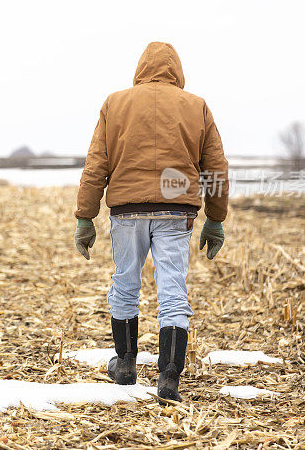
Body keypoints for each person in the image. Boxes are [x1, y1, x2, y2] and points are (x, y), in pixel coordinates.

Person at [74, 42, 229, 401]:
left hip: (127, 211)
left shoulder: (116, 103)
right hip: (177, 210)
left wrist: (85, 216)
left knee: (125, 284)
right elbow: (215, 167)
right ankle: (169, 375)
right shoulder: (197, 106)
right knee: (173, 290)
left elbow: (96, 164)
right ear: (177, 69)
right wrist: (215, 219)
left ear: (140, 67)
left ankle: (125, 363)